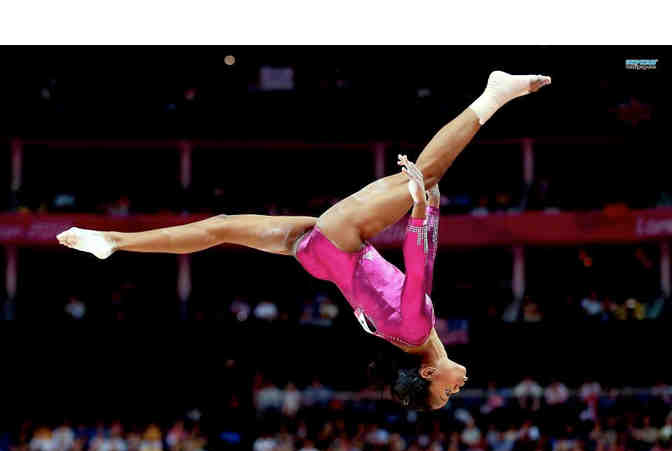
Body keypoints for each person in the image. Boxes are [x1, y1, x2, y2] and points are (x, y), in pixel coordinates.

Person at [57, 71, 551, 410]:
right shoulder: (403, 339)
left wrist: (424, 209)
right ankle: (113, 241)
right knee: (219, 226)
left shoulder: (417, 331)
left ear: (427, 374)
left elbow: (420, 266)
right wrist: (421, 210)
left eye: (447, 393)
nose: (456, 388)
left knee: (428, 173)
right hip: (314, 254)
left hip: (340, 239)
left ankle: (494, 94)